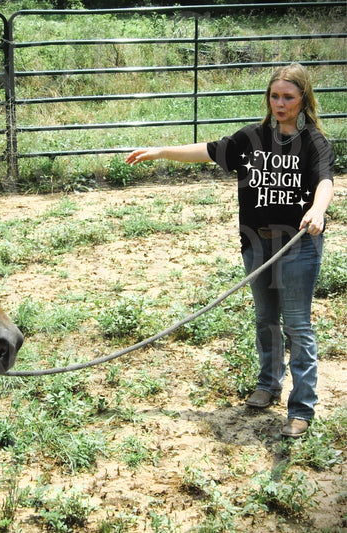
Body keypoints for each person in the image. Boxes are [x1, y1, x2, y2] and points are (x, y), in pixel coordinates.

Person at [126, 63, 335, 438]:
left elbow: (325, 182)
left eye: (288, 97)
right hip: (255, 243)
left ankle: (302, 407)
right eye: (274, 96)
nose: (280, 103)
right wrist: (160, 151)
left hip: (297, 245)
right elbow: (207, 150)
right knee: (265, 319)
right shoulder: (251, 138)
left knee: (297, 325)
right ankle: (268, 385)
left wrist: (318, 209)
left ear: (303, 99)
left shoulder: (314, 142)